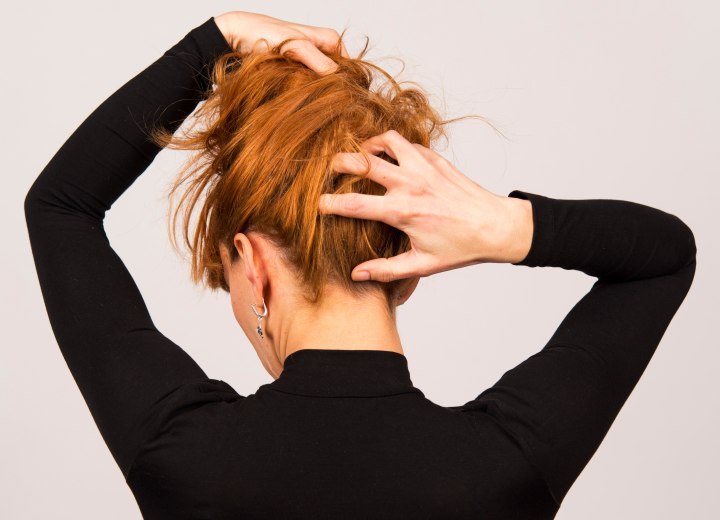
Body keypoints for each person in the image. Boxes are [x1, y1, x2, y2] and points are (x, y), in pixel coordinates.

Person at [24, 10, 697, 520]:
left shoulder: (182, 455)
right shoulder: (504, 466)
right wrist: (499, 224)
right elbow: (663, 256)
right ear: (407, 266)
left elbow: (61, 206)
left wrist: (216, 40)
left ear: (251, 265)